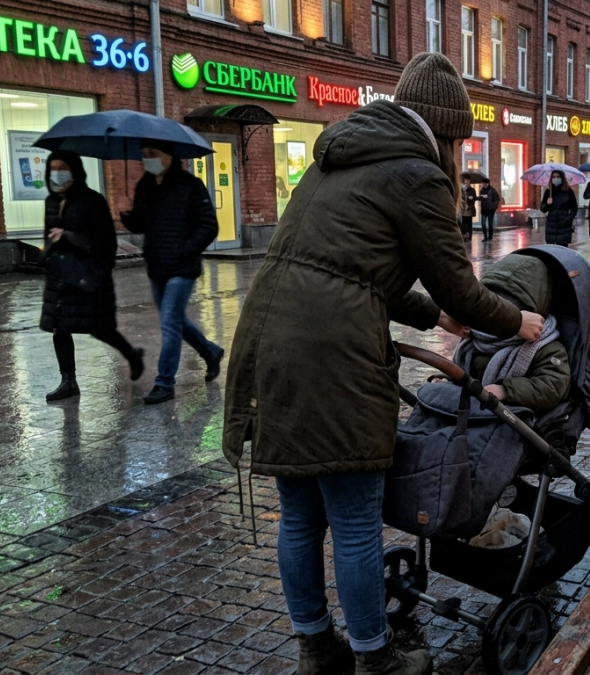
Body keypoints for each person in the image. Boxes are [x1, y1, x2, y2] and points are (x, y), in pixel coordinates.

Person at [222, 53, 545, 675]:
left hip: (271, 341)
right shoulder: (417, 173)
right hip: (332, 356)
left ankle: (316, 648)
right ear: (448, 131)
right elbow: (461, 287)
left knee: (300, 514)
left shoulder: (336, 160)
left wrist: (431, 316)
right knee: (352, 517)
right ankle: (377, 658)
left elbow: (345, 268)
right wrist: (518, 321)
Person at [119, 140, 224, 405]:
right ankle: (210, 352)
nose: (147, 160)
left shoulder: (190, 186)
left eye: (152, 154)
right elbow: (141, 224)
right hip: (156, 266)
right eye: (143, 155)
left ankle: (165, 382)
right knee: (175, 320)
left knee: (169, 322)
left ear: (168, 155)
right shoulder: (145, 186)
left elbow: (209, 226)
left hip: (182, 267)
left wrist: (185, 250)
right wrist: (126, 215)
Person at [40, 150, 144, 402]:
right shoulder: (51, 202)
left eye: (63, 167)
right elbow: (50, 234)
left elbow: (105, 243)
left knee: (101, 328)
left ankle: (131, 355)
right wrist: (48, 252)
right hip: (61, 276)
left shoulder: (92, 201)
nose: (57, 173)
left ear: (75, 170)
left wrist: (69, 237)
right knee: (59, 327)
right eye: (53, 168)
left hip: (88, 277)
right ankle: (68, 381)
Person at [455, 253, 569, 413]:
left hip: (512, 419)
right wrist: (446, 380)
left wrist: (506, 390)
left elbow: (552, 386)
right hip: (472, 414)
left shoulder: (545, 346)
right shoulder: (476, 337)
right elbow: (460, 370)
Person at [541, 171, 578, 246]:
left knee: (562, 249)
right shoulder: (548, 192)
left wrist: (568, 219)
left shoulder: (568, 191)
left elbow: (574, 208)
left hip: (564, 226)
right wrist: (547, 204)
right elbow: (542, 209)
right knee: (551, 250)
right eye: (554, 177)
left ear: (562, 178)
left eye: (558, 177)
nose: (556, 179)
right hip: (551, 225)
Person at [458, 176, 477, 241]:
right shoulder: (461, 190)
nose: (467, 183)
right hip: (463, 210)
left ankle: (469, 237)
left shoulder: (472, 190)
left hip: (469, 210)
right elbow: (460, 199)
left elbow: (474, 199)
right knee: (463, 224)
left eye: (468, 181)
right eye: (466, 181)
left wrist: (469, 206)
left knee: (469, 224)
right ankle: (464, 236)